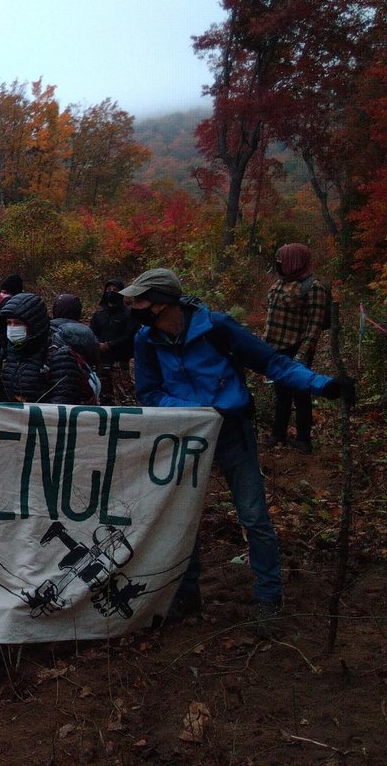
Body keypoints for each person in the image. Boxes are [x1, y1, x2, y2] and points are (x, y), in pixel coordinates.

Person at [121, 267, 350, 633]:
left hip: (232, 432)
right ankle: (186, 593)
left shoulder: (217, 328)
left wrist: (324, 385)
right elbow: (148, 393)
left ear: (162, 302)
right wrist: (194, 412)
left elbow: (272, 363)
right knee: (182, 519)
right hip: (184, 436)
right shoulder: (146, 340)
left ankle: (268, 598)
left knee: (254, 515)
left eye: (140, 299)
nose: (134, 306)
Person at [263, 243, 330, 454]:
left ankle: (303, 440)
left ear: (294, 262)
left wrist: (303, 353)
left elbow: (315, 324)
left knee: (301, 394)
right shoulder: (280, 282)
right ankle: (278, 434)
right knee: (281, 394)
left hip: (296, 347)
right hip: (275, 347)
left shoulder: (313, 287)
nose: (278, 264)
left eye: (282, 261)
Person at [0, 293, 94, 405]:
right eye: (9, 323)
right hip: (10, 421)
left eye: (18, 323)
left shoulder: (59, 357)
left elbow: (62, 404)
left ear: (34, 325)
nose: (12, 328)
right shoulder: (5, 354)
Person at [90, 278, 138, 405]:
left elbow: (130, 335)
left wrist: (109, 345)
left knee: (125, 396)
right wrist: (97, 345)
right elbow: (92, 332)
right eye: (109, 290)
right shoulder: (99, 314)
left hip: (121, 362)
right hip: (101, 361)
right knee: (103, 396)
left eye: (115, 290)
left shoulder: (129, 314)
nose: (111, 292)